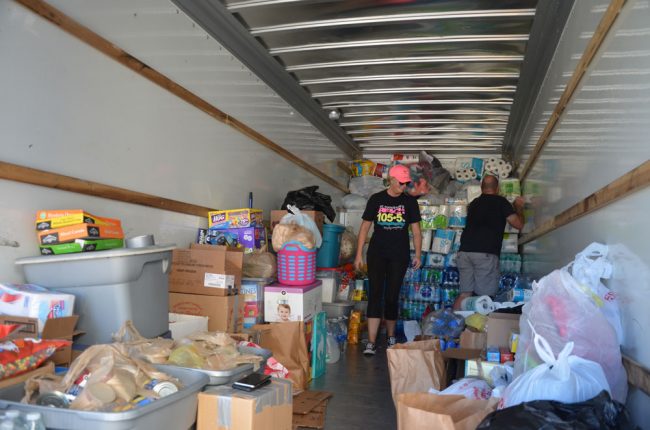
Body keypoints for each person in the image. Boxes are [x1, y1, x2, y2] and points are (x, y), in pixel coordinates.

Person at [354, 164, 422, 356]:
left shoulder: (410, 202)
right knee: (375, 295)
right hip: (376, 253)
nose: (403, 187)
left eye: (406, 183)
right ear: (391, 180)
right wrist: (359, 254)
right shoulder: (376, 199)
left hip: (399, 255)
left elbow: (416, 231)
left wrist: (418, 254)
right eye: (401, 183)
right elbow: (365, 227)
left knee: (392, 296)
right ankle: (372, 341)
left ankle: (391, 337)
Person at [453, 175, 525, 309]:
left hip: (464, 253)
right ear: (497, 188)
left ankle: (451, 324)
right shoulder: (501, 202)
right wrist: (518, 207)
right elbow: (519, 224)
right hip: (485, 254)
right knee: (484, 297)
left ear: (481, 188)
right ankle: (478, 329)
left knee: (465, 294)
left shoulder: (474, 203)